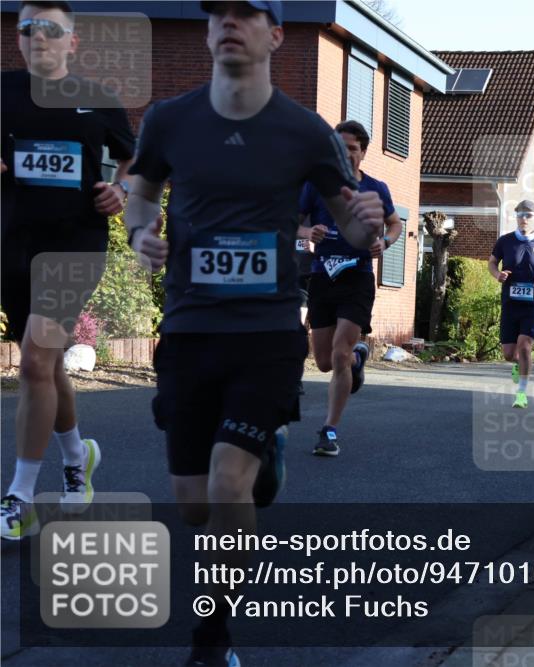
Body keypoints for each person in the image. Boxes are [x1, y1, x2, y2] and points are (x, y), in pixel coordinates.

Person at [124, 2, 385, 664]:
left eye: (246, 13)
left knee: (225, 483)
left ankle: (212, 639)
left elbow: (349, 223)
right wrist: (139, 232)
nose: (229, 23)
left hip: (267, 332)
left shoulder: (305, 131)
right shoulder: (170, 120)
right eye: (218, 13)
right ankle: (264, 453)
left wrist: (367, 226)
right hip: (189, 327)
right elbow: (142, 191)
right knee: (192, 503)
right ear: (208, 30)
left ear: (276, 34)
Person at [1, 0, 135, 539]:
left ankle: (19, 497)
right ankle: (79, 457)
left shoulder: (97, 99)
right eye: (28, 27)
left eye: (50, 29)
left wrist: (122, 189)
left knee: (35, 359)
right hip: (13, 243)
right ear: (19, 37)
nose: (38, 36)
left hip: (75, 245)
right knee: (47, 365)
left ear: (71, 42)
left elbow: (136, 161)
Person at [299, 119, 402, 456]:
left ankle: (329, 431)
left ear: (363, 153)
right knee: (324, 361)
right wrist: (308, 232)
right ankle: (358, 357)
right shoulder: (315, 186)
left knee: (339, 355)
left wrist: (385, 242)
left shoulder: (376, 188)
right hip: (322, 276)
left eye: (352, 149)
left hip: (357, 277)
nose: (346, 155)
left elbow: (394, 223)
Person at [489, 200, 534, 408]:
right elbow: (492, 262)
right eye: (520, 214)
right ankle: (518, 365)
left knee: (525, 346)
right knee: (509, 354)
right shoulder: (505, 241)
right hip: (510, 303)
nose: (523, 218)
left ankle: (521, 393)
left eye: (528, 215)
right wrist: (497, 274)